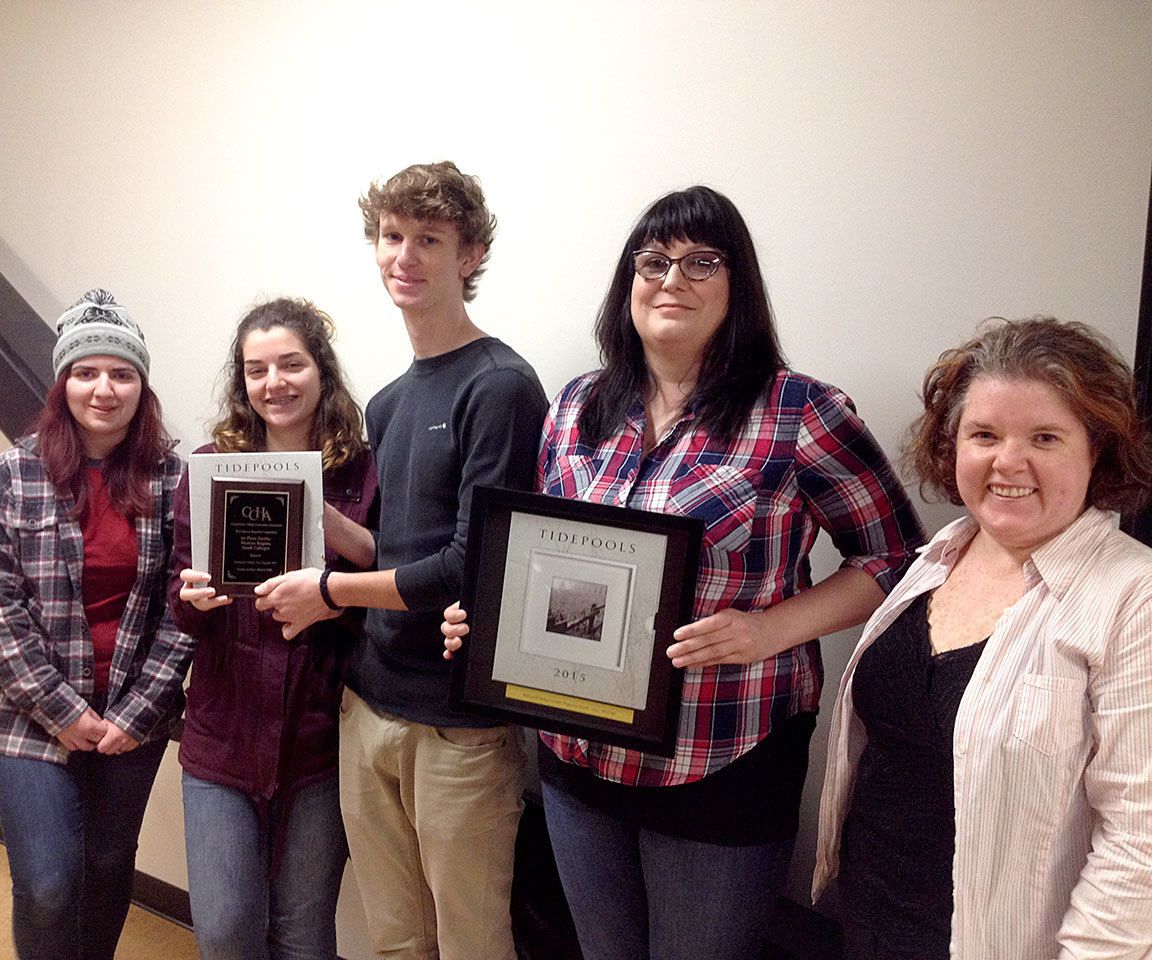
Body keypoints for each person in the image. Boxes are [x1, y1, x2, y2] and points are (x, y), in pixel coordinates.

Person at [442, 185, 924, 960]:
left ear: (739, 288)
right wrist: (490, 617)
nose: (673, 280)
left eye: (703, 262)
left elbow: (898, 556)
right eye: (654, 260)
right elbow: (543, 554)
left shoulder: (800, 413)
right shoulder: (575, 408)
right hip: (579, 754)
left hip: (722, 756)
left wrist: (771, 629)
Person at [252, 162, 548, 960]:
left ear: (471, 255)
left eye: (429, 239)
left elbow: (470, 567)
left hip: (459, 729)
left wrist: (329, 591)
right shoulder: (388, 400)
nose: (404, 256)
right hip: (369, 707)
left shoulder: (501, 387)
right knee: (393, 940)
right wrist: (308, 509)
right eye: (391, 236)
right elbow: (401, 554)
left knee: (471, 943)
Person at [815, 317, 1152, 960]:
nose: (1008, 462)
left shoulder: (1134, 598)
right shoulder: (940, 555)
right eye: (984, 435)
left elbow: (1140, 843)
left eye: (1045, 437)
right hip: (869, 919)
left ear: (1097, 451)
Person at [0, 289, 189, 960]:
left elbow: (183, 610)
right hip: (27, 717)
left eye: (121, 373)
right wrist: (61, 709)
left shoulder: (172, 478)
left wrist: (136, 712)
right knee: (48, 884)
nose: (103, 388)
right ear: (63, 382)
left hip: (133, 717)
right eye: (86, 372)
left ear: (142, 386)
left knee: (105, 866)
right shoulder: (13, 474)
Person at [170, 298, 377, 960]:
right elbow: (178, 604)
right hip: (222, 739)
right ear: (242, 382)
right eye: (256, 370)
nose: (275, 383)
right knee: (227, 930)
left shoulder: (365, 472)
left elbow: (390, 592)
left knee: (302, 933)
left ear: (321, 371)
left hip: (321, 743)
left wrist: (334, 595)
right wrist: (193, 600)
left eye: (291, 364)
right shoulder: (208, 467)